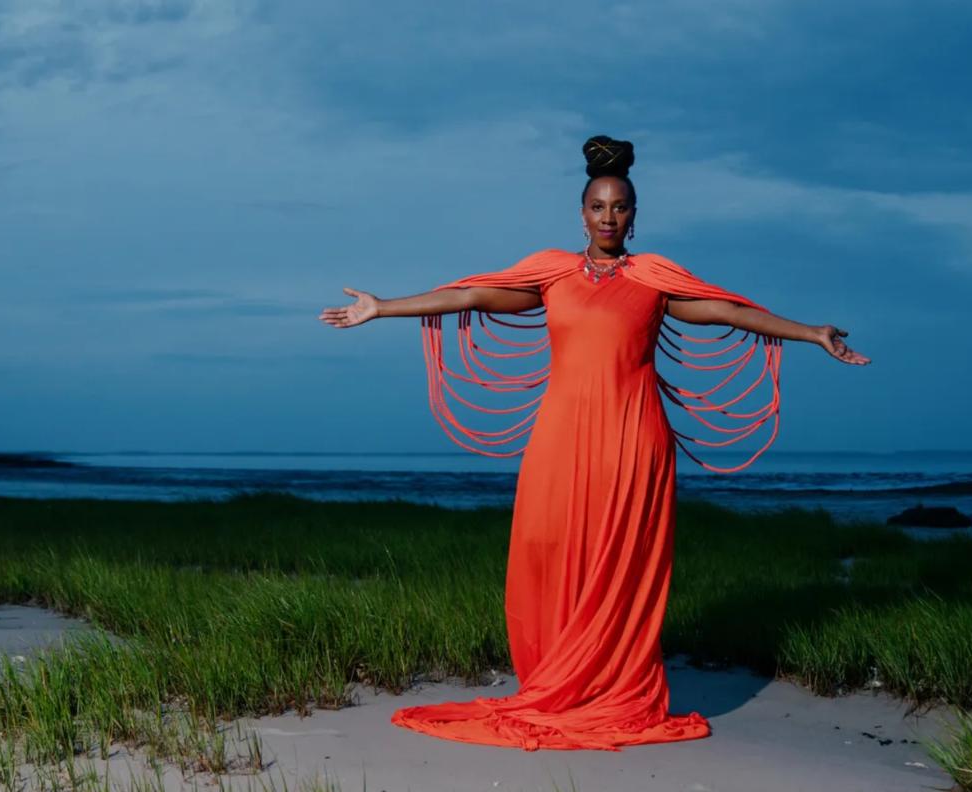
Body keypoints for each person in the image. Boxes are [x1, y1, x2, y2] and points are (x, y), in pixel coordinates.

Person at [319, 135, 869, 751]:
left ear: (636, 215)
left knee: (624, 567)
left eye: (621, 207)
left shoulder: (655, 279)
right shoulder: (552, 274)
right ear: (580, 214)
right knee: (547, 550)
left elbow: (729, 312)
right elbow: (469, 294)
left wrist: (810, 332)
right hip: (559, 436)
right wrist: (383, 306)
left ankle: (614, 688)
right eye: (599, 207)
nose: (609, 218)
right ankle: (558, 680)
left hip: (634, 439)